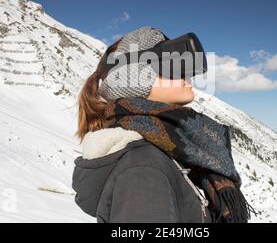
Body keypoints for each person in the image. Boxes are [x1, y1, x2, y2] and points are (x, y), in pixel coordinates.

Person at [72, 26, 251, 223]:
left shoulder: (168, 148)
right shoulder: (143, 168)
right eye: (171, 65)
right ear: (135, 78)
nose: (186, 74)